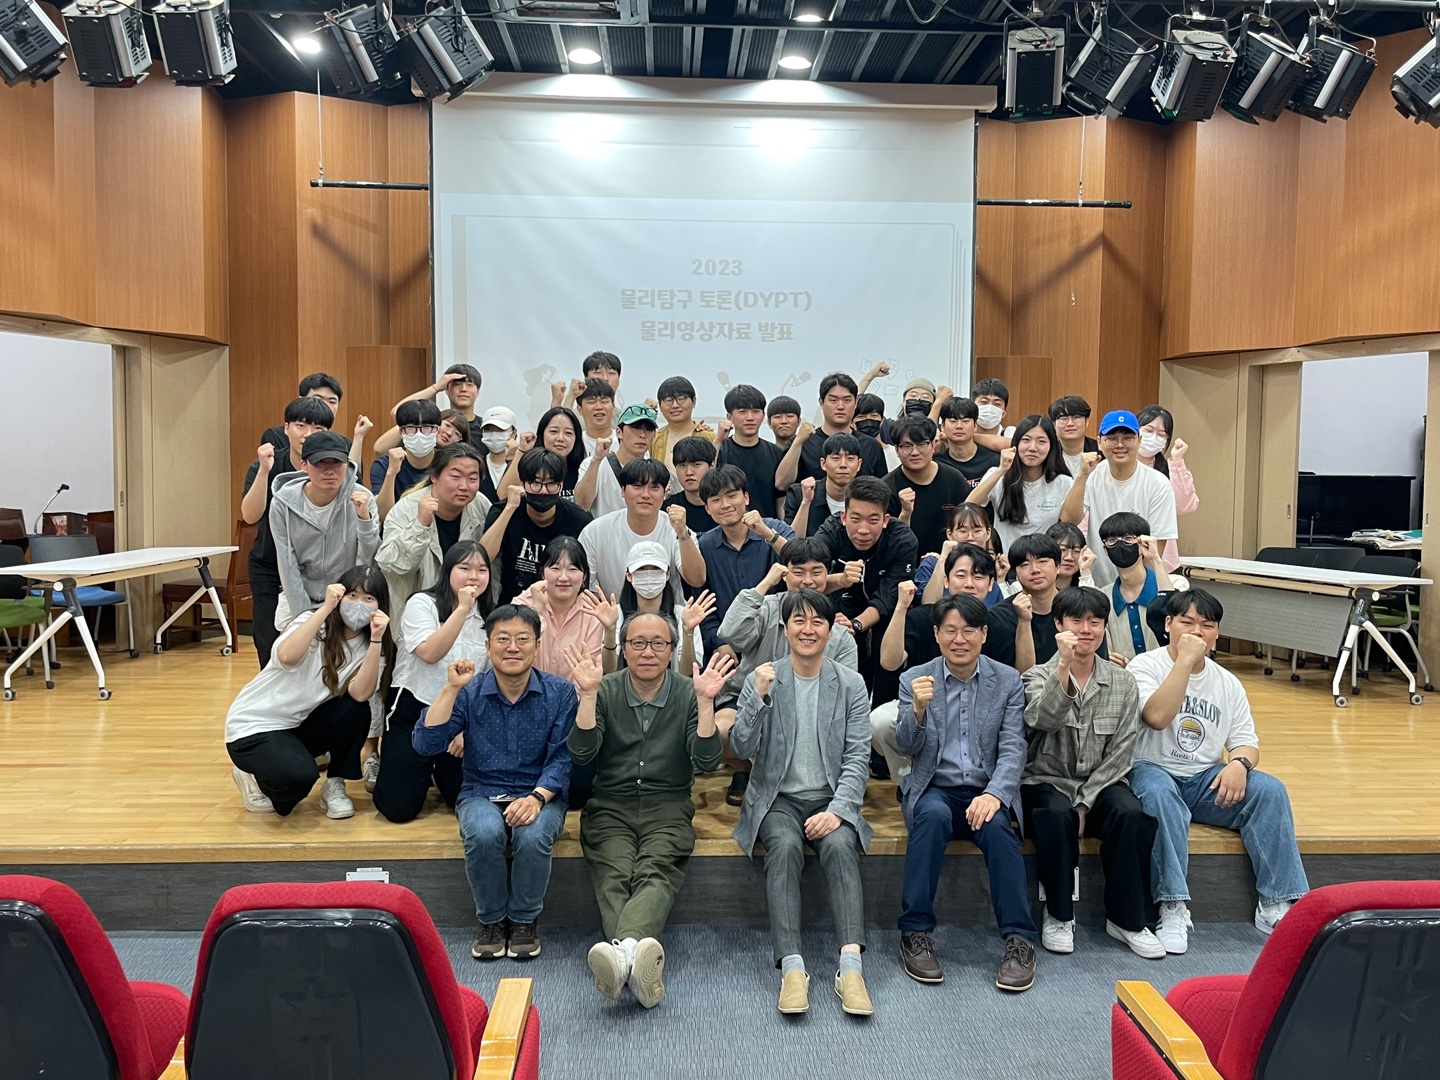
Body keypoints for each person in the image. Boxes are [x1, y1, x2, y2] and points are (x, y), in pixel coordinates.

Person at [1127, 589, 1309, 954]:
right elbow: (1156, 717)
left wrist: (1239, 764)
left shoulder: (1228, 682)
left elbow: (1246, 742)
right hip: (1151, 769)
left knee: (1269, 790)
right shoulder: (1143, 667)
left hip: (1204, 779)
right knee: (1160, 794)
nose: (1197, 632)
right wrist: (1184, 662)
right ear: (1168, 624)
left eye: (1207, 625)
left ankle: (1276, 903)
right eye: (1187, 623)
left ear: (1218, 633)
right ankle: (1173, 907)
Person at [565, 617, 734, 1008]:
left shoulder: (689, 692)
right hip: (610, 805)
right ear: (623, 649)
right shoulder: (603, 688)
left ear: (672, 651)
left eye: (658, 644)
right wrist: (587, 697)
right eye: (638, 643)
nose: (648, 652)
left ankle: (622, 956)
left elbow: (707, 760)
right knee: (613, 873)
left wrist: (706, 703)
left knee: (656, 869)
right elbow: (582, 753)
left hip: (668, 805)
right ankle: (635, 958)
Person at [729, 590, 874, 1016]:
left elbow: (858, 756)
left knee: (842, 846)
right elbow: (740, 746)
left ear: (830, 631)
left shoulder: (850, 684)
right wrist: (758, 698)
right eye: (799, 621)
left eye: (817, 622)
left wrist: (838, 810)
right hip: (777, 797)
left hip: (830, 796)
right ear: (785, 628)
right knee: (785, 846)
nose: (808, 630)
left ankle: (851, 968)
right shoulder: (764, 676)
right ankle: (793, 969)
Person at [893, 594, 1039, 991]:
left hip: (984, 790)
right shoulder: (914, 679)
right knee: (932, 816)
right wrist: (917, 711)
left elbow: (1013, 747)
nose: (960, 639)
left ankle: (1019, 939)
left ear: (984, 634)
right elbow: (906, 745)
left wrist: (995, 794)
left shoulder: (1006, 680)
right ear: (937, 634)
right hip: (935, 787)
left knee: (999, 831)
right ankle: (915, 932)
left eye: (969, 630)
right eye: (950, 631)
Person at [415, 604, 576, 961]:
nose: (512, 647)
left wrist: (536, 798)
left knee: (532, 835)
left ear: (537, 645)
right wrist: (450, 689)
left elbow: (563, 757)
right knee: (485, 832)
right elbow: (426, 743)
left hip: (539, 792)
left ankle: (523, 920)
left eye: (523, 639)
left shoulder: (561, 693)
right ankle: (491, 921)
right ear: (488, 646)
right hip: (481, 791)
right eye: (503, 639)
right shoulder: (469, 691)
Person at [1020, 587, 1159, 958]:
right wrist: (1063, 669)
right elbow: (1043, 720)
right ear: (1058, 624)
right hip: (1046, 780)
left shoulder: (1123, 682)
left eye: (1095, 622)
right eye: (1076, 621)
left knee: (1132, 814)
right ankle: (1058, 914)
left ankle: (1127, 919)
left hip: (1101, 782)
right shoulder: (1036, 677)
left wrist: (1084, 802)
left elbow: (1122, 752)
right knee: (1053, 814)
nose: (1086, 629)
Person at [226, 566, 393, 819]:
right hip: (254, 724)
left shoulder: (370, 644)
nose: (359, 604)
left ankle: (335, 784)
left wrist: (377, 640)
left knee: (355, 708)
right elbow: (286, 657)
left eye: (369, 598)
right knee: (298, 781)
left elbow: (360, 694)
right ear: (340, 597)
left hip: (297, 724)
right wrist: (325, 609)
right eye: (352, 595)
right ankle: (253, 777)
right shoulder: (312, 621)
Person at [716, 537, 860, 805]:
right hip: (749, 698)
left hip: (809, 709)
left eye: (816, 572)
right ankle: (745, 770)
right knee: (721, 730)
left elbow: (846, 693)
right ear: (784, 574)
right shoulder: (767, 608)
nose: (808, 580)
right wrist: (764, 584)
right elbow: (731, 634)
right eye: (798, 572)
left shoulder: (837, 630)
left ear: (828, 574)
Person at [374, 541, 497, 823]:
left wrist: (469, 731)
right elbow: (430, 653)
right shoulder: (422, 604)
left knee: (464, 799)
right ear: (447, 571)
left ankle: (438, 770)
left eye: (481, 570)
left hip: (459, 719)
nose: (474, 577)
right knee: (398, 809)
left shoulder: (490, 617)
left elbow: (491, 680)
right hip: (414, 709)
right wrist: (462, 610)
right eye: (464, 568)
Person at [873, 544, 1018, 782]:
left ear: (991, 583)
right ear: (946, 580)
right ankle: (908, 778)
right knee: (880, 720)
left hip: (978, 712)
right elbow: (889, 662)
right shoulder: (923, 617)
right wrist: (901, 608)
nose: (969, 584)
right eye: (961, 575)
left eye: (978, 576)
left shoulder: (998, 626)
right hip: (928, 708)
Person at [241, 396, 336, 668]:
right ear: (286, 428)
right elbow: (250, 515)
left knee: (317, 641)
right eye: (300, 425)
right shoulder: (268, 464)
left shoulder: (333, 466)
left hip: (317, 569)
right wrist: (264, 471)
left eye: (318, 428)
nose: (308, 434)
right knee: (267, 639)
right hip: (269, 565)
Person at [268, 430, 380, 633]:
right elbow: (286, 563)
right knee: (292, 649)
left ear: (347, 465)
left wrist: (365, 520)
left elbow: (369, 561)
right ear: (304, 466)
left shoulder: (362, 498)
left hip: (348, 596)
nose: (330, 471)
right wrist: (304, 618)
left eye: (337, 463)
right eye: (320, 463)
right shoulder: (282, 503)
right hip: (301, 594)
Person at [817, 476, 919, 694]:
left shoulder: (902, 540)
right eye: (855, 519)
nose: (863, 530)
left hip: (885, 616)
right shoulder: (830, 531)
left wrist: (855, 625)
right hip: (837, 610)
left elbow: (889, 597)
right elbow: (807, 579)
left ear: (885, 520)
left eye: (873, 520)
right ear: (844, 517)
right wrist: (840, 580)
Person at [1060, 409, 1179, 590]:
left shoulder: (1158, 484)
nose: (1120, 444)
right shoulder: (1092, 475)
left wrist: (1135, 590)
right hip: (1097, 584)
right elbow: (1068, 520)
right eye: (1112, 438)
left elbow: (1155, 549)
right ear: (1099, 442)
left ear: (1139, 441)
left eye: (1128, 438)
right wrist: (1082, 476)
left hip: (1139, 587)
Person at [376, 443, 492, 617]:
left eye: (472, 479)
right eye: (455, 477)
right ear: (434, 477)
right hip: (414, 613)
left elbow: (492, 565)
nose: (464, 486)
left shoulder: (481, 506)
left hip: (467, 613)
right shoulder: (405, 510)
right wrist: (420, 526)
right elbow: (392, 566)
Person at [695, 465, 794, 654]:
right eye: (716, 500)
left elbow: (801, 560)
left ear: (746, 497)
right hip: (730, 645)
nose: (725, 505)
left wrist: (767, 534)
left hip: (779, 638)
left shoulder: (774, 527)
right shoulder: (705, 545)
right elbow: (704, 603)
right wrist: (718, 643)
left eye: (732, 496)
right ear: (707, 508)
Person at [579, 458, 706, 599]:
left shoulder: (677, 529)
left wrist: (682, 534)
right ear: (622, 491)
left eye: (654, 487)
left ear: (665, 493)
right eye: (637, 486)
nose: (645, 495)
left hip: (669, 611)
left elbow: (697, 580)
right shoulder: (595, 531)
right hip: (614, 611)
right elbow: (580, 585)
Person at [480, 448, 593, 603]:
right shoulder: (503, 511)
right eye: (535, 483)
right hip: (511, 605)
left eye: (551, 484)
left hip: (560, 605)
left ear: (561, 485)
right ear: (522, 483)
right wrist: (510, 508)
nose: (543, 491)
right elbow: (483, 558)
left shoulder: (579, 520)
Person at [966, 415, 1074, 552]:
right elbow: (969, 506)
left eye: (1041, 441)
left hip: (1044, 560)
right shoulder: (998, 475)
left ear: (1051, 446)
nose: (1032, 448)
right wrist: (1002, 470)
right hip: (1003, 560)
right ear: (1016, 443)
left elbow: (1072, 522)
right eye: (1026, 440)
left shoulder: (1063, 482)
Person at [512, 537, 608, 677]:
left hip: (575, 690)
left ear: (585, 576)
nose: (563, 577)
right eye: (555, 568)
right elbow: (516, 653)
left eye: (572, 569)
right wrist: (536, 610)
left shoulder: (593, 612)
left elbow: (592, 670)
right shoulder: (523, 603)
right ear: (542, 573)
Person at [613, 541, 708, 678]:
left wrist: (688, 632)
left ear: (667, 575)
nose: (649, 575)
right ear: (629, 575)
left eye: (656, 569)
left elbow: (688, 671)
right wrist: (609, 629)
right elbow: (609, 669)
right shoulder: (616, 615)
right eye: (641, 569)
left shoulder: (683, 615)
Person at [885, 415, 971, 556]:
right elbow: (890, 543)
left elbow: (967, 526)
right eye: (906, 446)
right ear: (896, 450)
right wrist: (905, 513)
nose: (915, 452)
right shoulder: (887, 489)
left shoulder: (955, 480)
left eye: (922, 444)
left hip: (951, 561)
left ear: (933, 445)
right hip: (907, 563)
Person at [1100, 513, 1175, 662]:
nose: (1120, 545)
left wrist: (1156, 559)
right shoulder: (1103, 598)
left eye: (1128, 538)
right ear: (1105, 550)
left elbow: (1175, 610)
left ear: (1143, 544)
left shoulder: (1176, 584)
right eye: (1112, 540)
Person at [793, 373, 889, 484]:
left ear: (856, 402)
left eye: (847, 400)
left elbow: (882, 490)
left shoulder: (872, 446)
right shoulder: (803, 443)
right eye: (833, 400)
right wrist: (797, 443)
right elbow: (782, 484)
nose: (840, 407)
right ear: (821, 402)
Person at [1137, 405, 1198, 573]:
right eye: (1149, 430)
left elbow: (1185, 506)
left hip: (1163, 561)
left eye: (1161, 434)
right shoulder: (1116, 467)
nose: (1154, 437)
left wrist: (1177, 461)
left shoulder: (1169, 469)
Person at [714, 383, 788, 516]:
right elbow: (706, 484)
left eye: (756, 411)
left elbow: (780, 499)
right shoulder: (721, 450)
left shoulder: (775, 453)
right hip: (728, 525)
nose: (750, 418)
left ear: (763, 415)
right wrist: (718, 441)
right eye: (742, 412)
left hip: (767, 526)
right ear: (729, 417)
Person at [576, 403, 659, 517]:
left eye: (649, 429)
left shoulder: (656, 470)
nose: (642, 435)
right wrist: (596, 460)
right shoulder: (594, 464)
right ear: (619, 432)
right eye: (636, 428)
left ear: (654, 436)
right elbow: (581, 504)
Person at [915, 504, 1007, 605]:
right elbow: (927, 605)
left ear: (988, 533)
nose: (970, 537)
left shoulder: (990, 567)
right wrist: (942, 559)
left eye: (977, 531)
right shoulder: (932, 564)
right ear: (949, 534)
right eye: (963, 531)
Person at [494, 406, 587, 503]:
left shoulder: (583, 468)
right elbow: (504, 496)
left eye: (568, 433)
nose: (560, 438)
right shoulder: (528, 463)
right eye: (554, 431)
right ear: (542, 434)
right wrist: (521, 452)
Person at [372, 400, 442, 521]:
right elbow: (383, 516)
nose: (419, 435)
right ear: (401, 432)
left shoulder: (446, 463)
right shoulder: (384, 464)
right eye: (411, 428)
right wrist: (391, 472)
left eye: (426, 427)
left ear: (437, 431)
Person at [784, 433, 863, 538]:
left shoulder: (868, 497)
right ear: (823, 464)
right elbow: (790, 542)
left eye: (850, 458)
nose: (843, 465)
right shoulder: (799, 493)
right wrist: (806, 502)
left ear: (859, 464)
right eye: (836, 458)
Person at [934, 396, 1001, 488]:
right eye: (953, 421)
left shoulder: (995, 461)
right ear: (942, 426)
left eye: (965, 421)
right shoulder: (936, 464)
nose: (959, 426)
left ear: (975, 426)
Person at [650, 376, 715, 471]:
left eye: (681, 399)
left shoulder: (711, 438)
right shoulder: (653, 439)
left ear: (694, 401)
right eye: (668, 400)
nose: (675, 405)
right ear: (660, 405)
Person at [661, 436, 719, 534]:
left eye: (696, 464)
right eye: (682, 465)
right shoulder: (668, 508)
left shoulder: (726, 505)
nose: (689, 472)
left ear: (712, 465)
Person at [1049, 395, 1100, 478]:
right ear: (1054, 424)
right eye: (1063, 418)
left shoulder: (1100, 452)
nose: (1070, 423)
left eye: (1076, 417)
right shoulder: (1047, 453)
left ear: (1087, 421)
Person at [477, 406, 519, 506]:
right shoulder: (477, 465)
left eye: (500, 430)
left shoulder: (523, 465)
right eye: (488, 430)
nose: (494, 434)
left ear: (513, 433)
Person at [1047, 521, 1096, 591]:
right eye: (1063, 550)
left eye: (1076, 551)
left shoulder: (1088, 586)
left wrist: (1085, 572)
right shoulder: (1035, 591)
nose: (1069, 557)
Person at [575, 377, 617, 457]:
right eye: (591, 402)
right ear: (580, 410)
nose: (599, 407)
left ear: (613, 407)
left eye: (604, 401)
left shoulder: (625, 442)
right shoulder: (574, 443)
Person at [971, 377, 1015, 450]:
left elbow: (1010, 444)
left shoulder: (1010, 433)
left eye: (997, 404)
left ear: (1003, 413)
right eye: (984, 402)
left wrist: (969, 437)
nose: (990, 408)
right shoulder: (963, 428)